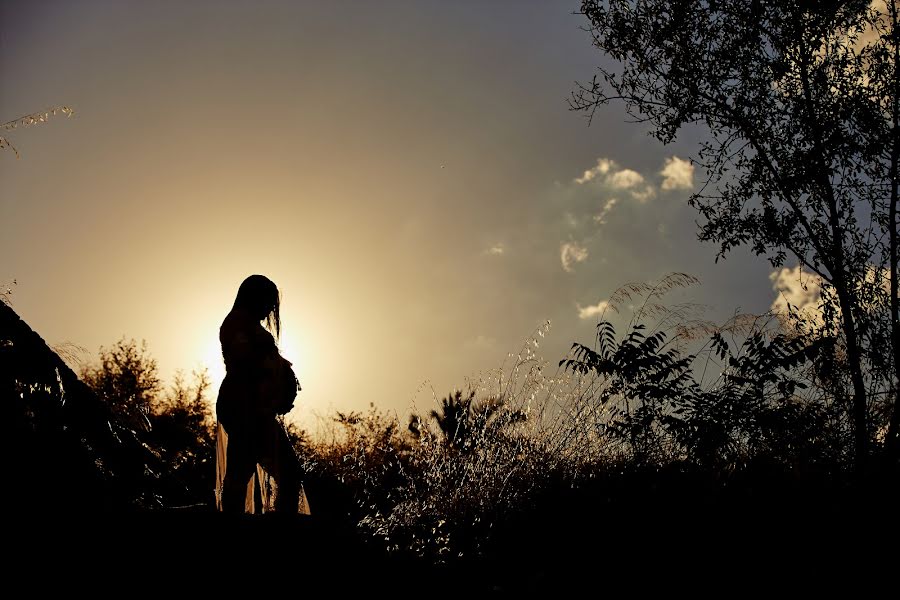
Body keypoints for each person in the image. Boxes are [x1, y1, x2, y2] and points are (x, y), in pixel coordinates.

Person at [214, 274, 307, 514]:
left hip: (252, 406)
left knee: (244, 470)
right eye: (267, 302)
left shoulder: (246, 324)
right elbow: (246, 363)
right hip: (244, 406)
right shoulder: (237, 323)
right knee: (283, 472)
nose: (269, 311)